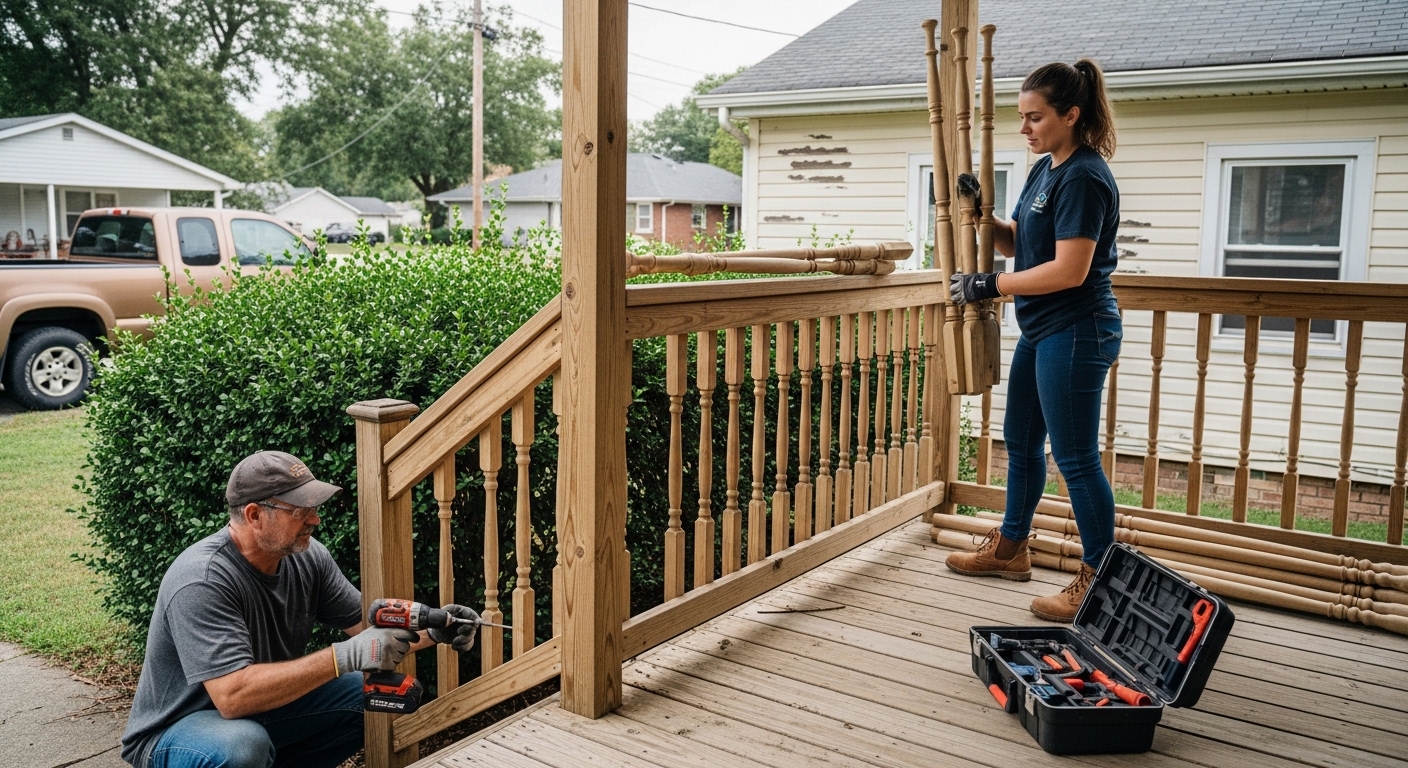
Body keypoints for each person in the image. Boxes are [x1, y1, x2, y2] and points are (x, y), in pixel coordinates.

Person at [121, 451, 479, 768]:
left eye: (314, 508)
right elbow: (231, 697)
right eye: (300, 510)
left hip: (257, 714)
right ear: (254, 515)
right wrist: (341, 657)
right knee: (242, 746)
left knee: (376, 694)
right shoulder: (202, 579)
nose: (315, 520)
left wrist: (436, 628)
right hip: (180, 731)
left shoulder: (308, 557)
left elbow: (367, 629)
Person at [945, 59, 1123, 622]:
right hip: (1043, 329)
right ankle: (1010, 549)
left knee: (1074, 458)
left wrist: (988, 286)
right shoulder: (1045, 169)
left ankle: (1098, 581)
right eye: (1021, 118)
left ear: (1071, 115)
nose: (1025, 129)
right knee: (1019, 441)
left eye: (1035, 118)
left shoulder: (1086, 177)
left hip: (1078, 329)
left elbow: (1069, 269)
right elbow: (1023, 243)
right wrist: (982, 217)